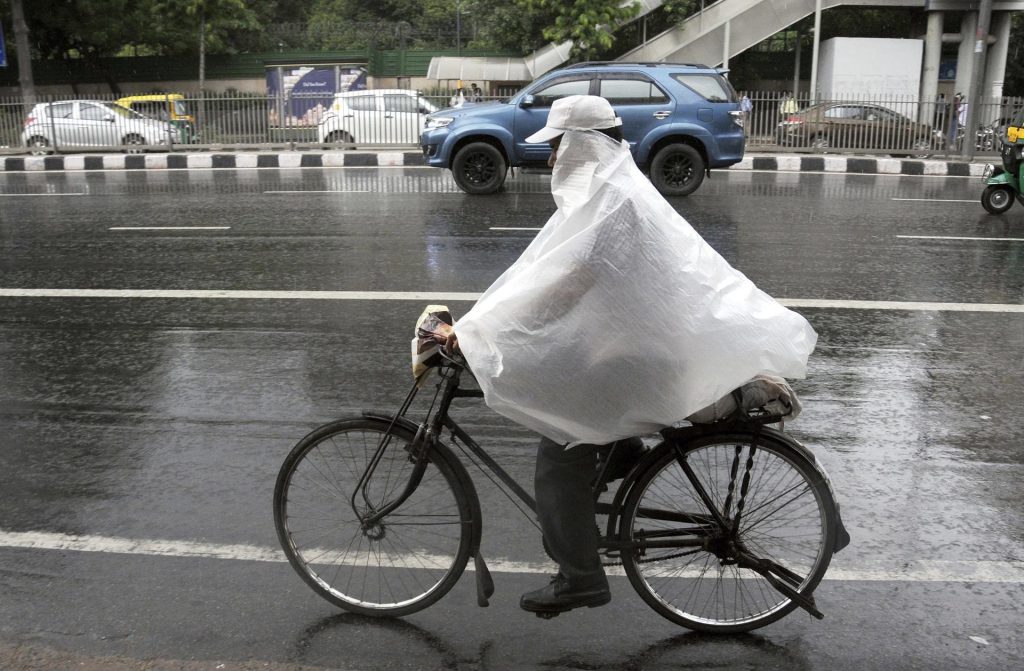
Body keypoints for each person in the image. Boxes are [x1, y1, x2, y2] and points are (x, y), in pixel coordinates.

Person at [447, 95, 816, 617]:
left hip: (644, 358)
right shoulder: (612, 191)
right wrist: (486, 324)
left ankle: (580, 578)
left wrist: (484, 333)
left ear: (582, 146)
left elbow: (565, 288)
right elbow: (543, 276)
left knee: (559, 451)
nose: (551, 159)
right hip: (636, 348)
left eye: (556, 146)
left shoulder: (611, 204)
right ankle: (623, 455)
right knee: (567, 391)